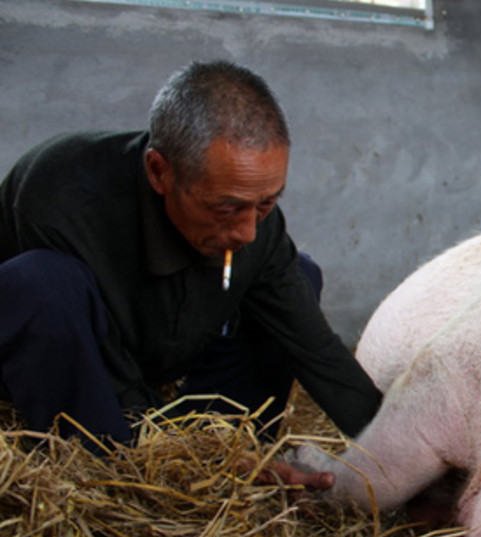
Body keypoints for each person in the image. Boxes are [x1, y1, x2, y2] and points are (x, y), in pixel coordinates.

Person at [0, 60, 381, 488]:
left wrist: (400, 455)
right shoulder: (63, 196)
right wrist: (169, 458)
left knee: (299, 274)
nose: (246, 231)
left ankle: (233, 452)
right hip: (73, 366)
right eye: (226, 208)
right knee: (40, 283)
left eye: (266, 203)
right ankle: (115, 474)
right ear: (159, 171)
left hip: (162, 362)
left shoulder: (253, 226)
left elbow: (315, 349)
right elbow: (90, 359)